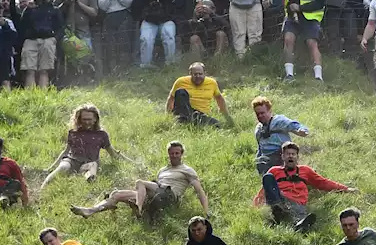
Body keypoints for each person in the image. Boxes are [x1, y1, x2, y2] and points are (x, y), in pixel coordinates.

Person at [70, 140, 208, 220]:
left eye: (177, 153)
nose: (174, 156)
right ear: (168, 154)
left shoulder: (187, 170)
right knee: (115, 194)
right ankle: (91, 211)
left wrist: (206, 212)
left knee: (139, 182)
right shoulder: (163, 170)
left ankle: (139, 210)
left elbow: (199, 191)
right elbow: (151, 188)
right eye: (172, 153)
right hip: (155, 195)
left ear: (182, 154)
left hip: (169, 196)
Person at [262, 141, 355, 232]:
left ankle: (299, 225)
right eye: (287, 154)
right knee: (268, 178)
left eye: (293, 154)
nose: (290, 156)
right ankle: (278, 211)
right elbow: (265, 189)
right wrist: (256, 205)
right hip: (279, 198)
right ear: (283, 156)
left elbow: (323, 182)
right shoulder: (274, 170)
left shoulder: (305, 170)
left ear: (297, 157)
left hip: (297, 202)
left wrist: (345, 189)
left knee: (297, 211)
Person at [40, 104, 131, 192]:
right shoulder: (73, 133)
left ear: (95, 119)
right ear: (79, 119)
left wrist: (131, 162)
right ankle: (42, 190)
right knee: (63, 167)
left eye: (89, 119)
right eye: (84, 119)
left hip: (89, 163)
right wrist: (51, 168)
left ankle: (89, 185)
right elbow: (66, 151)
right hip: (72, 161)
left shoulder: (101, 135)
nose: (87, 122)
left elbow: (113, 152)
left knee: (93, 166)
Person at [277, 0, 328, 81]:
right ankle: (289, 74)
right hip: (291, 16)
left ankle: (318, 77)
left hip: (310, 18)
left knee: (312, 44)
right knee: (288, 40)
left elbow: (320, 2)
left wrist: (300, 7)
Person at [252, 96, 309, 176]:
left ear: (269, 111)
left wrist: (302, 130)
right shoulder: (258, 129)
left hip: (281, 155)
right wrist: (257, 159)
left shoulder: (278, 121)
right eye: (258, 114)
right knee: (261, 163)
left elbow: (295, 125)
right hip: (266, 159)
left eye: (262, 113)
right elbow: (260, 148)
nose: (260, 116)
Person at [168, 61, 233, 127]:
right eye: (195, 74)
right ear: (190, 74)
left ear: (204, 73)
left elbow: (219, 98)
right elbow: (171, 98)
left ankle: (193, 122)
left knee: (218, 125)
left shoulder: (212, 83)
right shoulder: (181, 82)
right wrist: (167, 116)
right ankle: (183, 121)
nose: (198, 76)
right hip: (185, 112)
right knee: (180, 92)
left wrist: (227, 116)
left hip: (201, 115)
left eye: (200, 74)